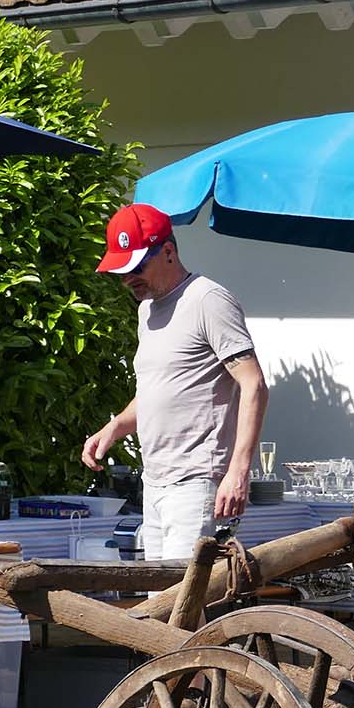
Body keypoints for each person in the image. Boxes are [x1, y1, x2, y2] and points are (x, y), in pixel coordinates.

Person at [81, 203, 269, 559]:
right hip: (153, 483)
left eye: (136, 267)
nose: (127, 279)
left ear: (168, 251)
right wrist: (116, 427)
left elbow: (254, 384)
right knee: (162, 602)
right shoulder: (146, 308)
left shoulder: (207, 300)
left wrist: (238, 472)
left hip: (197, 483)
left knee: (183, 604)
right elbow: (160, 388)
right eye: (120, 272)